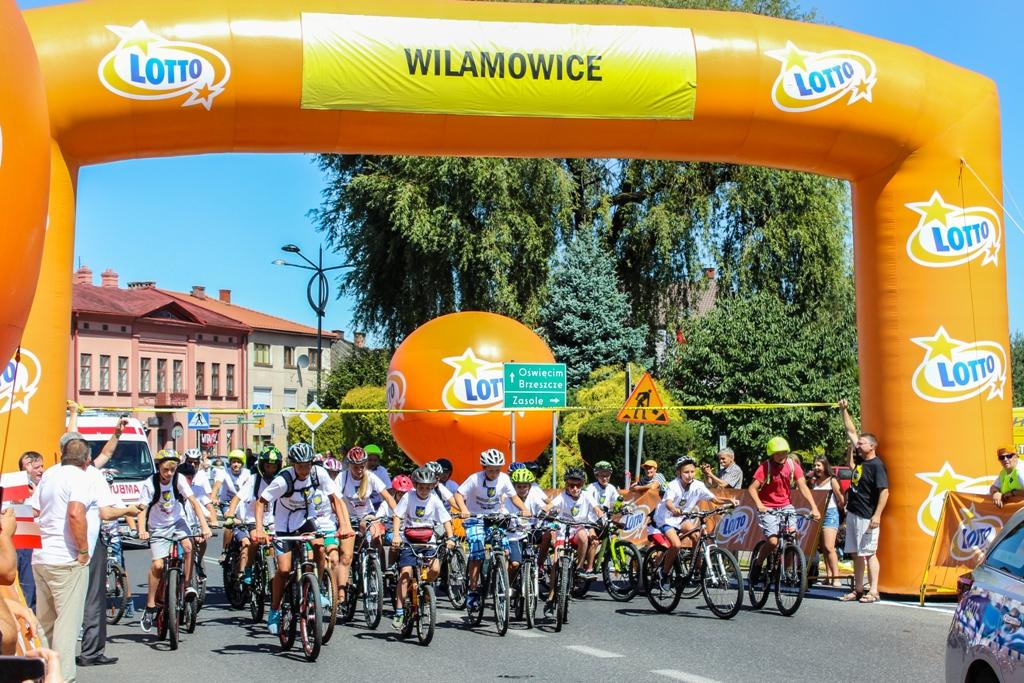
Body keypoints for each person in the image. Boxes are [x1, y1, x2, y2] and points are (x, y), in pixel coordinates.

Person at [252, 442, 352, 635]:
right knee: (284, 569)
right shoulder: (283, 481)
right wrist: (259, 529)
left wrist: (344, 525)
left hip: (306, 519)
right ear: (293, 464)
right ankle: (274, 610)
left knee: (319, 548)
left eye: (307, 465)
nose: (304, 470)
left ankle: (317, 589)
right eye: (300, 466)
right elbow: (260, 502)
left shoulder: (318, 474)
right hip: (283, 524)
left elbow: (336, 499)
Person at [29, 436, 103, 683]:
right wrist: (83, 550)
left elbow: (35, 510)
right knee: (67, 626)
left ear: (62, 455)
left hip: (41, 556)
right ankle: (61, 678)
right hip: (66, 559)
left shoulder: (50, 474)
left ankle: (40, 674)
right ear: (87, 460)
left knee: (45, 623)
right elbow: (75, 513)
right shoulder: (81, 477)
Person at [136, 450, 213, 632]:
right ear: (159, 468)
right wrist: (141, 530)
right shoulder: (150, 483)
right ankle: (150, 606)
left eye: (172, 469)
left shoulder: (179, 479)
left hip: (178, 522)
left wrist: (204, 526)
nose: (169, 473)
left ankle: (187, 585)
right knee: (158, 565)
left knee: (188, 547)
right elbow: (141, 509)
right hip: (157, 527)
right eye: (165, 470)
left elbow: (194, 502)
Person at [458, 448, 530, 612]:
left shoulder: (504, 479)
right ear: (484, 468)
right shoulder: (474, 479)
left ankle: (499, 578)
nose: (494, 473)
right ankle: (473, 591)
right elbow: (458, 494)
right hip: (476, 518)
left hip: (495, 518)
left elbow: (514, 497)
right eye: (491, 470)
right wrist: (463, 508)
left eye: (497, 470)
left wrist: (524, 509)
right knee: (477, 552)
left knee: (505, 549)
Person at [748, 437, 821, 591]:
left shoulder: (792, 465)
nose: (782, 456)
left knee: (792, 536)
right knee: (773, 542)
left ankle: (786, 569)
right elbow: (752, 488)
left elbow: (803, 487)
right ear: (772, 454)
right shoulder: (765, 467)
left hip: (786, 505)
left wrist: (814, 507)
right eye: (778, 453)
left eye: (784, 452)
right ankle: (758, 564)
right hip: (768, 507)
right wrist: (760, 505)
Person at [390, 466, 455, 629]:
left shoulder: (434, 499)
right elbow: (397, 516)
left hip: (428, 540)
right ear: (415, 485)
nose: (424, 490)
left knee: (435, 569)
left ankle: (423, 588)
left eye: (428, 487)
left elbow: (446, 519)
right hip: (409, 540)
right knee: (405, 574)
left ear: (432, 486)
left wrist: (451, 538)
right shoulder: (408, 497)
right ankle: (399, 611)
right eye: (421, 487)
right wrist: (396, 535)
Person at [653, 457, 735, 584]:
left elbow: (714, 499)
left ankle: (697, 570)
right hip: (665, 519)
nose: (690, 475)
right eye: (686, 472)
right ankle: (664, 574)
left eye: (692, 471)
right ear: (679, 473)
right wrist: (674, 509)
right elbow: (668, 502)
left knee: (697, 536)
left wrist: (729, 501)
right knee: (676, 545)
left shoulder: (698, 485)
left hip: (681, 518)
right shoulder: (673, 485)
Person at [838, 399, 889, 604]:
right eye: (858, 443)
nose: (857, 445)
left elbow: (885, 492)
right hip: (853, 512)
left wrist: (877, 516)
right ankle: (858, 589)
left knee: (869, 553)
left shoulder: (877, 465)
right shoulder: (860, 460)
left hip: (867, 516)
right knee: (856, 554)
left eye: (861, 443)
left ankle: (874, 590)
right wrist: (844, 410)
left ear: (872, 446)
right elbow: (851, 431)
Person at [335, 446, 396, 610]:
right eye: (355, 467)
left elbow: (388, 496)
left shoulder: (370, 477)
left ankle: (373, 565)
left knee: (376, 534)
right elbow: (335, 500)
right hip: (347, 517)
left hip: (366, 515)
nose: (359, 470)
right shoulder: (342, 477)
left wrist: (398, 514)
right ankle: (341, 595)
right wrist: (342, 520)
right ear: (349, 465)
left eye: (362, 466)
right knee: (346, 557)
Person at [541, 467, 604, 616]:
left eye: (578, 485)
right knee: (556, 563)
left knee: (583, 535)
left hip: (577, 531)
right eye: (571, 485)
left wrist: (602, 517)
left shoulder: (587, 496)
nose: (574, 488)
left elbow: (597, 508)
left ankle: (580, 568)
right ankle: (551, 598)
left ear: (582, 484)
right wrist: (543, 512)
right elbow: (550, 506)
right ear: (566, 484)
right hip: (563, 532)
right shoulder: (562, 496)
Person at [224, 445, 281, 585]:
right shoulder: (254, 480)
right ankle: (248, 568)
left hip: (272, 521)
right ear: (262, 466)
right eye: (268, 466)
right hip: (252, 520)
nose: (271, 470)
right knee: (255, 541)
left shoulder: (280, 481)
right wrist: (230, 515)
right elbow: (237, 498)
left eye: (274, 467)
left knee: (275, 546)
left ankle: (272, 571)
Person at [13, 451, 44, 609]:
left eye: (41, 466)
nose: (40, 470)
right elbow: (9, 511)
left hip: (43, 541)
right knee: (27, 585)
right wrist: (22, 503)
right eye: (34, 467)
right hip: (25, 540)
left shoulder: (45, 484)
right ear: (25, 468)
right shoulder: (16, 486)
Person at [811, 456, 845, 586]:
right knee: (823, 548)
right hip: (818, 515)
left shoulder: (832, 480)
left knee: (829, 547)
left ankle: (836, 577)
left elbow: (841, 499)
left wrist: (839, 509)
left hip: (830, 513)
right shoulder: (814, 482)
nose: (816, 468)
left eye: (818, 465)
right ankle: (828, 576)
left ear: (825, 466)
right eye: (815, 465)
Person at [213, 449, 251, 561]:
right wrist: (214, 496)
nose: (236, 464)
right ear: (230, 463)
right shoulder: (223, 472)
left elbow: (249, 487)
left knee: (246, 523)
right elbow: (217, 484)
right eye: (234, 462)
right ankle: (225, 550)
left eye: (238, 462)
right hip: (227, 503)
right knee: (230, 522)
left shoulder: (247, 473)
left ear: (242, 463)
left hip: (241, 503)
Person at [363, 444, 392, 508]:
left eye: (375, 460)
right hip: (363, 505)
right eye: (370, 460)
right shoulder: (360, 471)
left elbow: (388, 489)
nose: (372, 463)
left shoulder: (381, 471)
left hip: (378, 505)